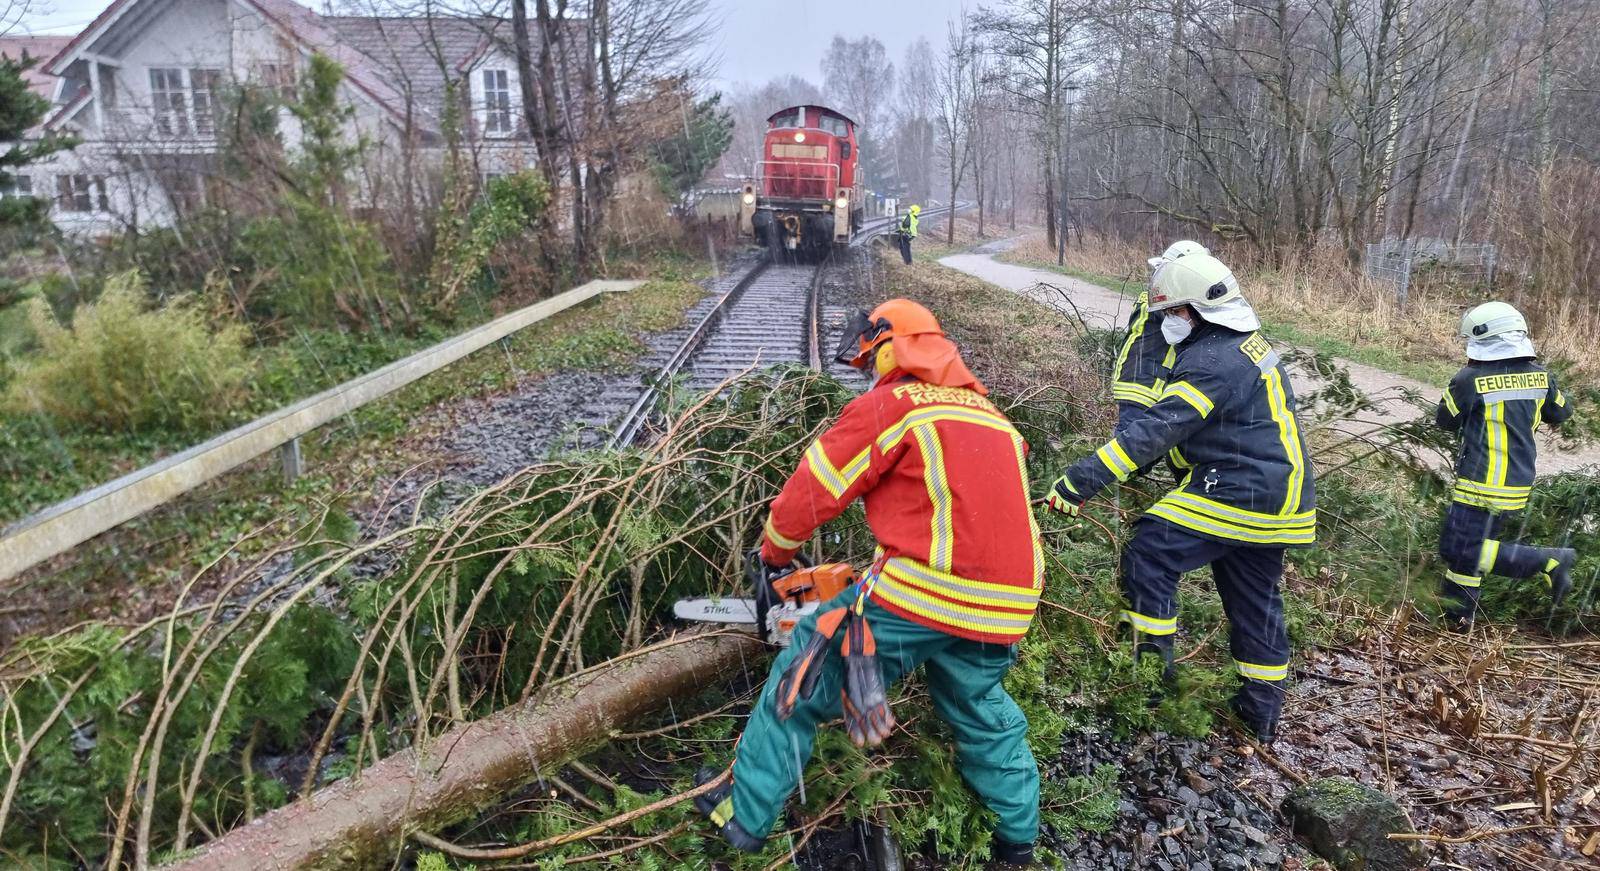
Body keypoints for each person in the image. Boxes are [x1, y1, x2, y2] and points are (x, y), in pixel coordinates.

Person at [696, 298, 1046, 866]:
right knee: (978, 706)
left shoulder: (895, 405)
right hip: (1008, 602)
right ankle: (1017, 838)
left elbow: (817, 485)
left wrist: (774, 556)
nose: (866, 376)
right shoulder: (996, 419)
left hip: (927, 590)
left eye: (869, 362)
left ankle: (745, 814)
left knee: (803, 670)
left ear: (890, 346)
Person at [1043, 254, 1315, 743]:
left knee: (1150, 552)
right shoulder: (1237, 347)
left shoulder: (1214, 362)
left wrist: (1080, 481)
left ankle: (1148, 682)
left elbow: (1159, 428)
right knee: (1254, 602)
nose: (1167, 323)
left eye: (1172, 314)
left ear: (1195, 311)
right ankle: (1259, 717)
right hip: (1278, 495)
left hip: (1240, 488)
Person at [1435, 301, 1575, 628]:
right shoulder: (1541, 378)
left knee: (1459, 549)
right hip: (1516, 484)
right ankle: (1458, 617)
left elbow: (1445, 419)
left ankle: (1550, 560)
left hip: (1480, 484)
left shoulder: (1470, 378)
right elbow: (1562, 412)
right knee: (1473, 550)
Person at [1113, 240, 1209, 432]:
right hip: (1146, 385)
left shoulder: (1154, 297)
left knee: (1135, 445)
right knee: (1134, 451)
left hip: (1136, 380)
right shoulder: (1165, 304)